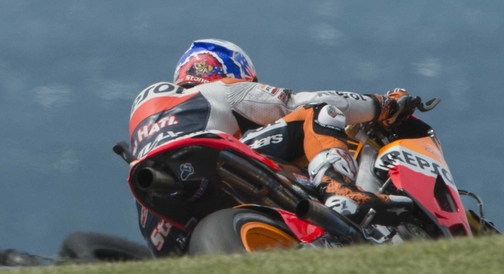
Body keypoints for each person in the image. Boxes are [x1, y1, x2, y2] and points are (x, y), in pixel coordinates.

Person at [129, 39, 417, 256]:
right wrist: (383, 105)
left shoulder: (151, 113)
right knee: (320, 112)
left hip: (158, 214)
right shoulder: (221, 90)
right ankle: (340, 191)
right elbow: (300, 102)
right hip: (207, 157)